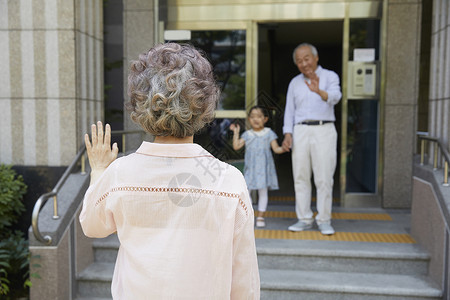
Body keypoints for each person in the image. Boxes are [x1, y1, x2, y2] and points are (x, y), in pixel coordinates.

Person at [79, 43, 260, 299]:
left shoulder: (120, 174)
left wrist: (98, 169)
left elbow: (92, 226)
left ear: (141, 103)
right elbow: (244, 281)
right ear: (203, 104)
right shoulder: (228, 181)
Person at [282, 43, 342, 236]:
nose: (303, 63)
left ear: (316, 58)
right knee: (300, 176)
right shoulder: (294, 82)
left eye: (306, 58)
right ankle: (304, 218)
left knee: (324, 177)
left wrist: (319, 91)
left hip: (324, 129)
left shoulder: (330, 76)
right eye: (299, 61)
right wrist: (287, 134)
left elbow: (335, 96)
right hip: (300, 131)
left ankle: (324, 219)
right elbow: (289, 111)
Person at [230, 106, 285, 228]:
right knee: (246, 192)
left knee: (263, 192)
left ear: (265, 119)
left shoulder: (269, 133)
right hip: (251, 169)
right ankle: (249, 214)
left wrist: (284, 148)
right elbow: (236, 146)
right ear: (249, 119)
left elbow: (276, 148)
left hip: (264, 170)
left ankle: (260, 216)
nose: (256, 119)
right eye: (253, 116)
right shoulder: (247, 134)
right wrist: (236, 133)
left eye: (259, 116)